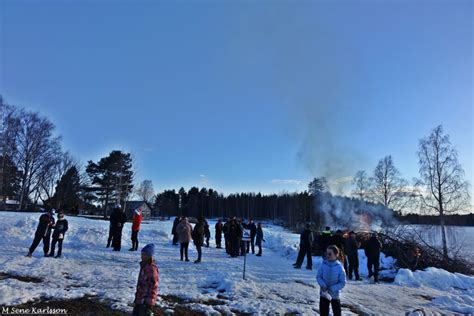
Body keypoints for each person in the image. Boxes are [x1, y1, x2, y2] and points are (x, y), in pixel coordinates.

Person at [316, 245, 346, 316]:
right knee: (323, 313)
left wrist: (332, 288)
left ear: (336, 255)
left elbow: (343, 282)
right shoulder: (323, 264)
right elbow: (318, 276)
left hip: (335, 295)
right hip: (324, 293)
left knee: (337, 313)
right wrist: (323, 285)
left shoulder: (339, 267)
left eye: (330, 254)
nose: (327, 255)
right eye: (326, 253)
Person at [133, 243, 159, 316]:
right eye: (142, 254)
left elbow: (154, 286)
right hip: (140, 299)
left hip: (146, 300)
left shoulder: (151, 269)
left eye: (145, 254)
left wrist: (150, 300)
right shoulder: (144, 266)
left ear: (150, 256)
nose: (142, 256)